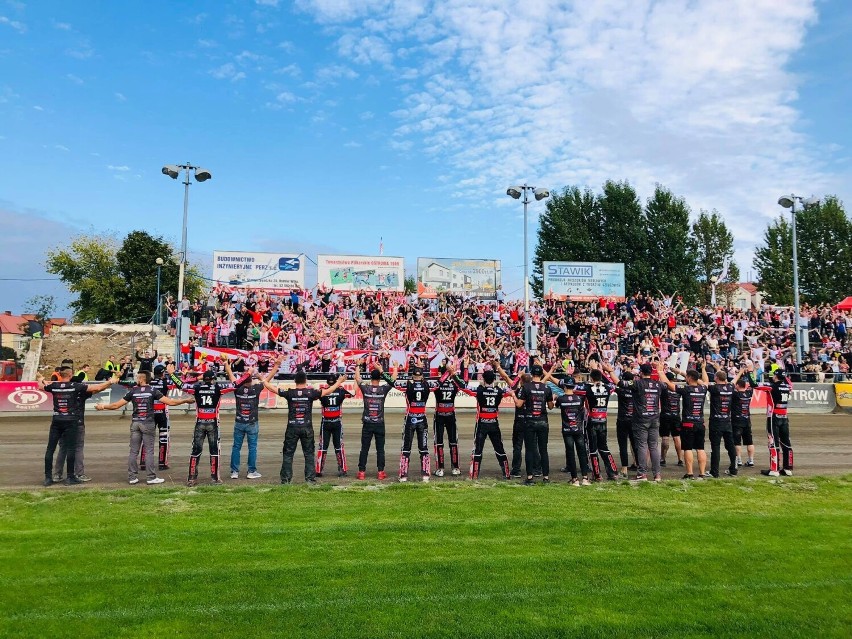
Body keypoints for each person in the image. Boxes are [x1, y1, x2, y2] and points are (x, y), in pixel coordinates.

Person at [95, 369, 194, 484]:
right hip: (147, 423)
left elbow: (116, 405)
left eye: (138, 377)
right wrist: (185, 400)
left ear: (142, 379)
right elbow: (170, 402)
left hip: (135, 423)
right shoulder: (153, 390)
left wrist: (103, 407)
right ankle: (151, 477)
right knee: (149, 451)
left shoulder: (133, 391)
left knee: (133, 451)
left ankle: (132, 477)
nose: (136, 379)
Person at [171, 355, 245, 487]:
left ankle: (191, 478)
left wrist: (172, 374)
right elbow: (236, 384)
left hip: (199, 422)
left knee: (196, 450)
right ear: (213, 379)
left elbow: (181, 385)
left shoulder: (196, 388)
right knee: (214, 450)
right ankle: (215, 478)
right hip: (213, 423)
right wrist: (248, 374)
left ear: (204, 379)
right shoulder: (218, 388)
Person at [263, 365, 345, 484]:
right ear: (305, 381)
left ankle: (285, 480)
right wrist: (339, 382)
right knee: (309, 454)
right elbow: (328, 391)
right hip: (306, 427)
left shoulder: (290, 393)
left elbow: (271, 388)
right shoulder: (310, 393)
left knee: (288, 454)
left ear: (295, 381)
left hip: (292, 426)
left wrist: (265, 379)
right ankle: (310, 479)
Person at [38, 367, 115, 486]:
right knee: (73, 449)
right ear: (70, 375)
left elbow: (41, 387)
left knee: (52, 449)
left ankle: (50, 477)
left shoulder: (55, 386)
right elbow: (98, 388)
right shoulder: (76, 387)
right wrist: (110, 381)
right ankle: (71, 476)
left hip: (57, 420)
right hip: (72, 421)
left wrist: (40, 379)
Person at [226, 360, 279, 479]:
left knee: (236, 447)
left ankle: (234, 472)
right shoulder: (256, 388)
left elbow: (231, 376)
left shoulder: (237, 389)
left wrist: (226, 364)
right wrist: (276, 365)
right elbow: (268, 379)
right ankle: (251, 471)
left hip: (239, 422)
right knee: (252, 447)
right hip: (252, 422)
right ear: (251, 381)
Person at [459, 367, 513, 480]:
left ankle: (474, 475)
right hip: (494, 423)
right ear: (494, 380)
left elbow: (463, 386)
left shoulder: (479, 390)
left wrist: (456, 373)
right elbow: (513, 387)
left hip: (481, 423)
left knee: (477, 450)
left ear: (483, 379)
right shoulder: (499, 391)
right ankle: (507, 474)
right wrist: (518, 376)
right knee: (499, 449)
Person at [618, 362, 666, 481]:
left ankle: (642, 473)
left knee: (642, 446)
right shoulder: (658, 384)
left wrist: (609, 371)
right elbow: (666, 384)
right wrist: (660, 371)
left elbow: (620, 383)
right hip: (654, 418)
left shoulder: (637, 383)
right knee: (654, 446)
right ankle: (657, 474)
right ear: (651, 372)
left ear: (640, 373)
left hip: (641, 419)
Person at [660, 365, 707, 480]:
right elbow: (705, 381)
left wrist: (660, 371)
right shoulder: (703, 389)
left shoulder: (686, 389)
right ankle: (702, 474)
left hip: (688, 423)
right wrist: (682, 372)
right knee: (700, 448)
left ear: (689, 378)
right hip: (700, 422)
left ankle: (690, 473)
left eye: (687, 377)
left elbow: (669, 385)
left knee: (688, 449)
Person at [574, 361, 618, 481]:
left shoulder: (587, 388)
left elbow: (571, 387)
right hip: (603, 420)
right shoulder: (608, 388)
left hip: (591, 421)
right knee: (604, 447)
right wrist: (603, 372)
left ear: (591, 377)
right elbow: (612, 383)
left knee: (592, 449)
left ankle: (597, 474)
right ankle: (613, 472)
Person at [512, 363, 554, 485]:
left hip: (529, 421)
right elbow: (551, 406)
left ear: (531, 374)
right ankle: (545, 477)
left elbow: (519, 404)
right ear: (541, 374)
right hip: (543, 421)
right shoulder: (546, 388)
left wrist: (515, 396)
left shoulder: (526, 387)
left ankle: (530, 477)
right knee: (543, 450)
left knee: (529, 449)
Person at [394, 363, 436, 482]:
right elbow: (440, 383)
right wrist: (449, 373)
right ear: (422, 376)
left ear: (412, 376)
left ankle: (403, 475)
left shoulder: (407, 385)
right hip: (422, 419)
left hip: (410, 419)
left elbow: (393, 383)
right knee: (423, 448)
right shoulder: (427, 385)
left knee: (406, 448)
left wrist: (382, 372)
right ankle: (426, 475)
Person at [354, 362, 395, 480]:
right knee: (380, 449)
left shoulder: (366, 388)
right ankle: (380, 472)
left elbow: (357, 378)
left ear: (371, 378)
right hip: (379, 423)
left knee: (364, 448)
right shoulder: (383, 389)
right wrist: (386, 369)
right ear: (380, 378)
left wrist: (357, 366)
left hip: (367, 423)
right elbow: (393, 381)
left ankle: (362, 472)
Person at [554, 375, 591, 486]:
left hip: (567, 429)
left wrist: (555, 397)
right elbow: (582, 411)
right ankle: (585, 478)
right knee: (582, 453)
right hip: (578, 429)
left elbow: (556, 406)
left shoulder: (561, 399)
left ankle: (574, 479)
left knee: (570, 453)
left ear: (564, 386)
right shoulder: (579, 399)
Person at [431, 363, 466, 477]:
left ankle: (440, 469)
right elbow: (464, 383)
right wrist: (454, 373)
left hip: (439, 416)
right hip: (451, 415)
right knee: (453, 442)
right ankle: (455, 468)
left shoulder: (437, 384)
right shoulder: (454, 384)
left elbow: (434, 385)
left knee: (439, 442)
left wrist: (448, 372)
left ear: (441, 373)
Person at [316, 372, 354, 478]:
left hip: (325, 422)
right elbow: (353, 393)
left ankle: (319, 470)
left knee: (323, 446)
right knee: (339, 446)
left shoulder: (322, 390)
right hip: (337, 422)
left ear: (327, 381)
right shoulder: (341, 390)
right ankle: (343, 469)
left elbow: (314, 395)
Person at [760, 369, 794, 477]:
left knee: (773, 443)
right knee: (786, 443)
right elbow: (789, 382)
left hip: (773, 417)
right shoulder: (788, 386)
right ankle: (788, 468)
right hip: (784, 416)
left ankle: (774, 469)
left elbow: (754, 385)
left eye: (774, 375)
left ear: (776, 376)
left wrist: (750, 371)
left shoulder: (772, 386)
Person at [706, 368, 738, 478]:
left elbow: (703, 383)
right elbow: (735, 380)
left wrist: (704, 370)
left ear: (716, 378)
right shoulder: (730, 387)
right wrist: (742, 371)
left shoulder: (715, 388)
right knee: (730, 446)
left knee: (715, 447)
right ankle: (733, 469)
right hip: (727, 421)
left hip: (716, 422)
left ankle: (714, 471)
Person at [614, 371, 638, 477]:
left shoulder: (620, 391)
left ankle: (624, 469)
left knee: (623, 445)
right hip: (634, 420)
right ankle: (639, 465)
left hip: (622, 420)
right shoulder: (637, 390)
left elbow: (612, 383)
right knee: (635, 444)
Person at [731, 367, 756, 467]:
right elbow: (753, 384)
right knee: (749, 441)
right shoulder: (749, 393)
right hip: (747, 419)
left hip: (737, 420)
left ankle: (739, 460)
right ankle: (751, 460)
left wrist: (740, 373)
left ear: (737, 385)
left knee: (737, 442)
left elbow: (731, 385)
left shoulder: (735, 394)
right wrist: (752, 371)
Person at [659, 372, 683, 467]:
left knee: (665, 437)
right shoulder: (678, 389)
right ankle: (680, 459)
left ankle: (663, 459)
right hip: (676, 415)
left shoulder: (663, 388)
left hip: (665, 415)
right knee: (677, 437)